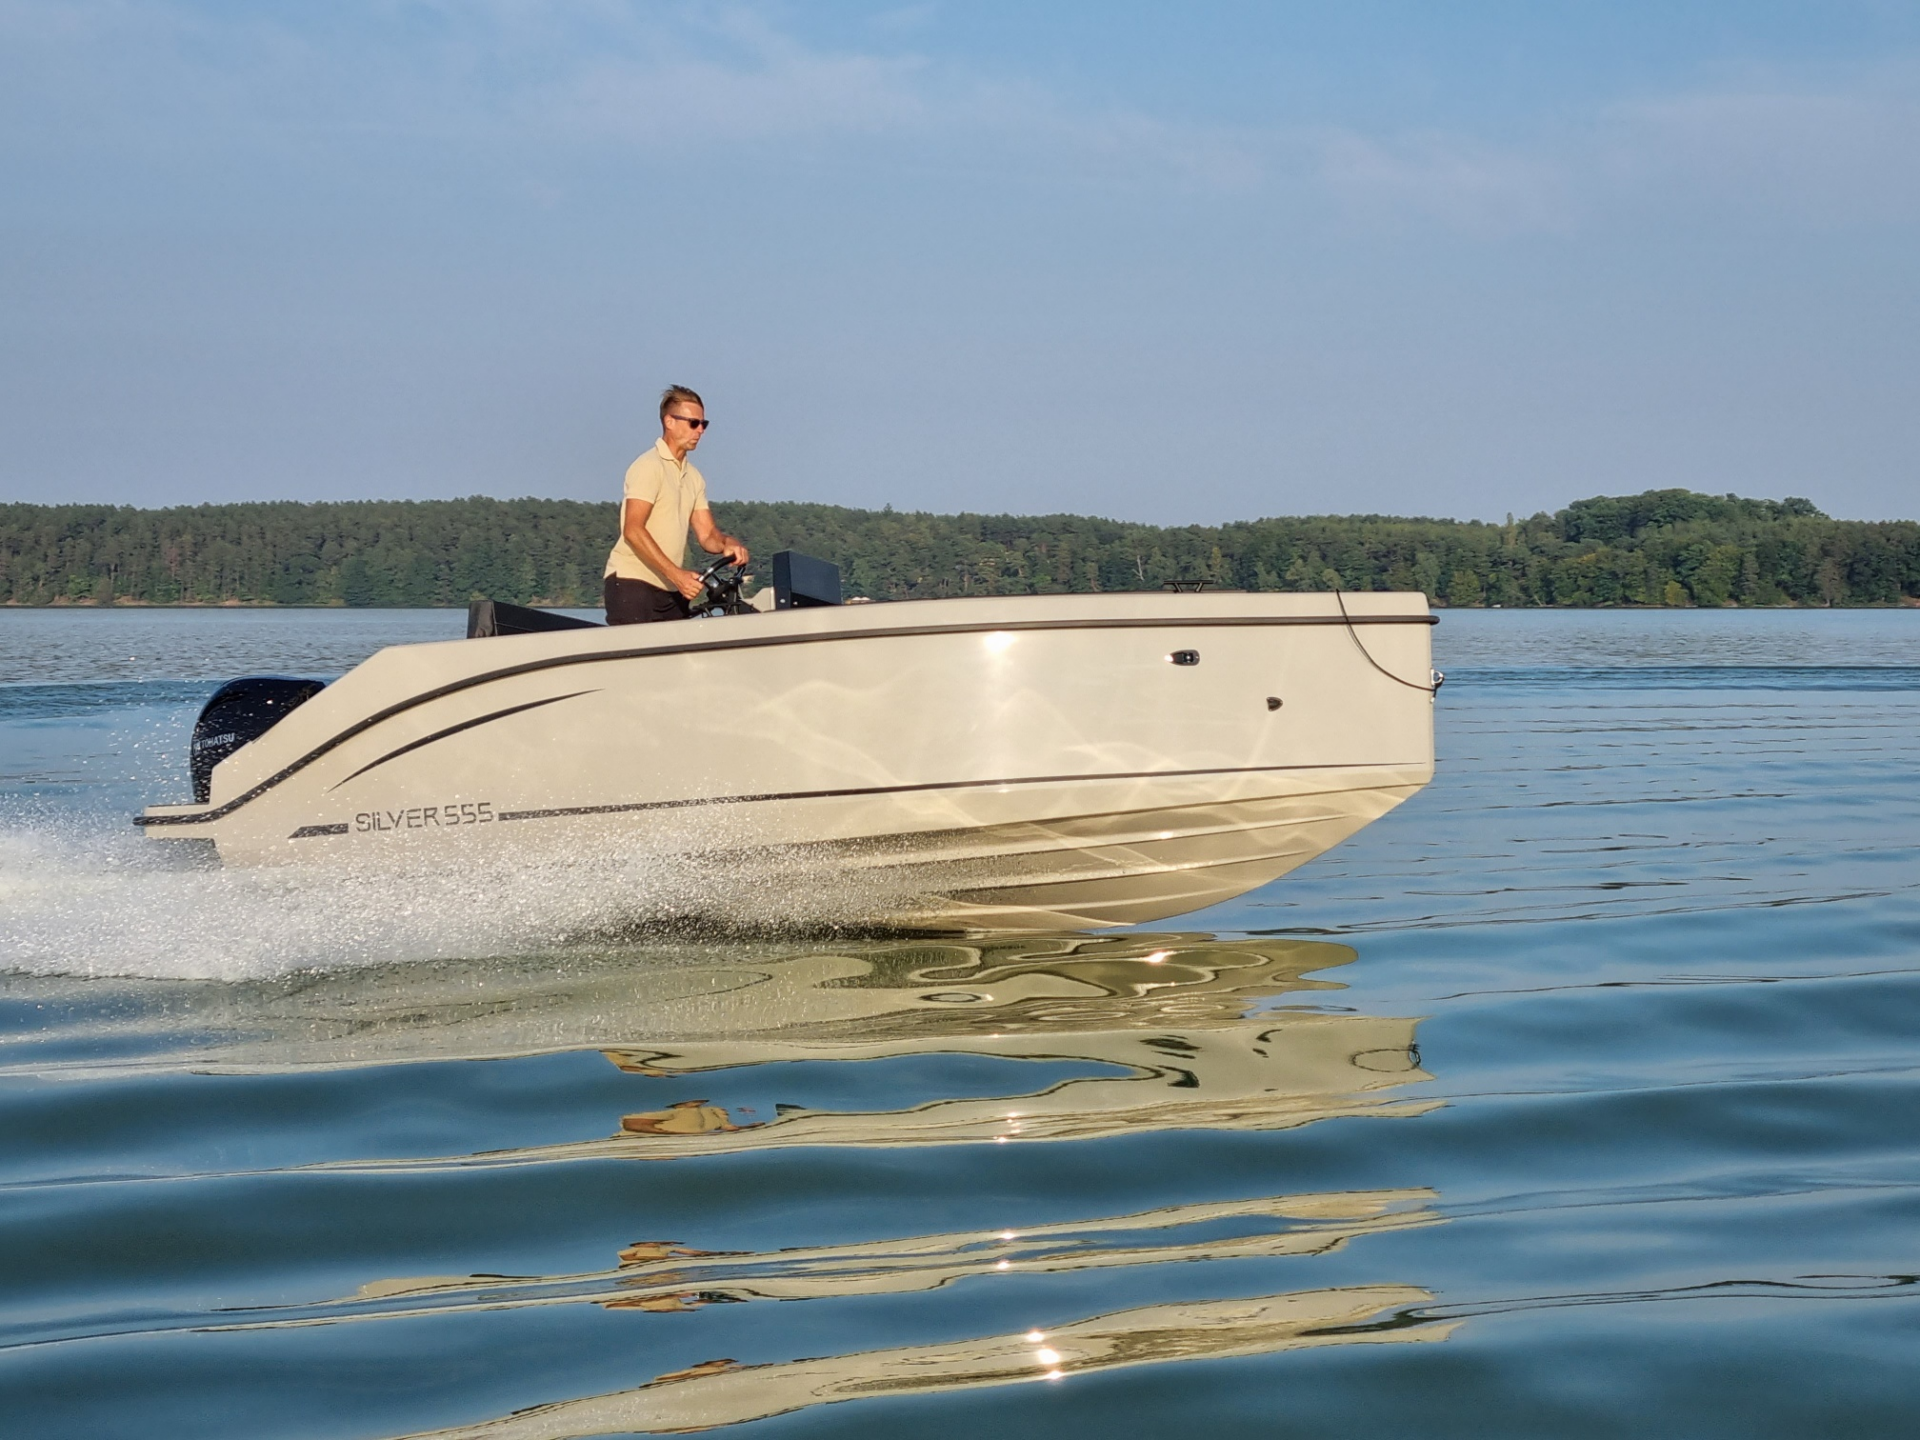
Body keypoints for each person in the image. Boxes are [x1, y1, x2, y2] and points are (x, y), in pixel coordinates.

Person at [603, 385, 749, 624]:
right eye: (694, 423)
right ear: (669, 422)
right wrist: (677, 575)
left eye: (704, 424)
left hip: (671, 590)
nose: (700, 430)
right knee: (640, 660)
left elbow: (707, 534)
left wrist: (727, 542)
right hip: (632, 584)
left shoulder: (693, 477)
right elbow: (632, 529)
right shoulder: (649, 466)